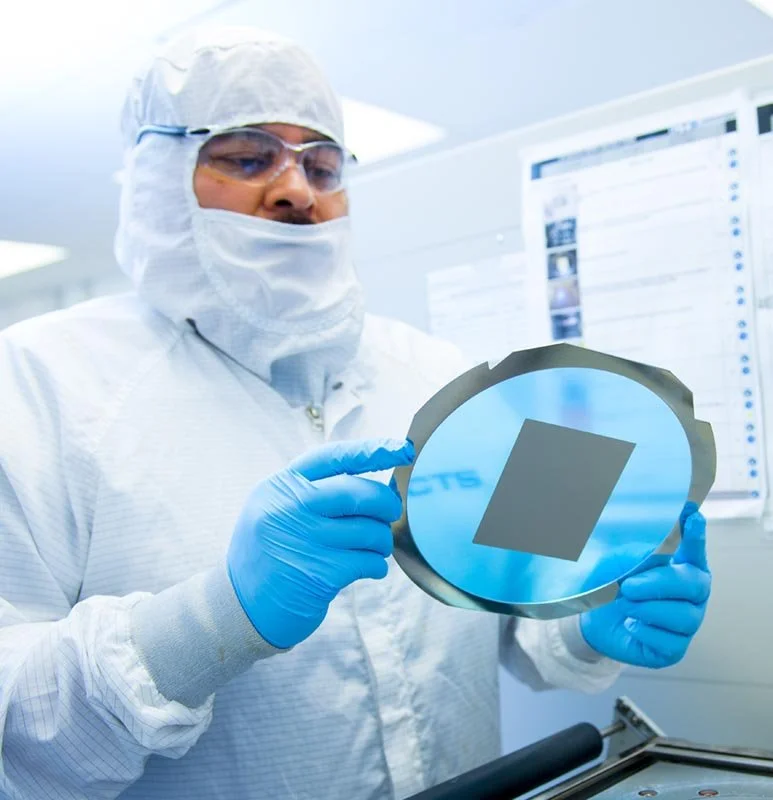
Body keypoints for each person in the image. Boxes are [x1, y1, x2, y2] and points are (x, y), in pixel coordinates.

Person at [0, 26, 712, 800]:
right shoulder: (40, 387)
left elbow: (513, 599)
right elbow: (17, 734)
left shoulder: (437, 374)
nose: (296, 190)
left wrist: (584, 621)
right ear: (158, 177)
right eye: (246, 157)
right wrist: (216, 620)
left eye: (322, 163)